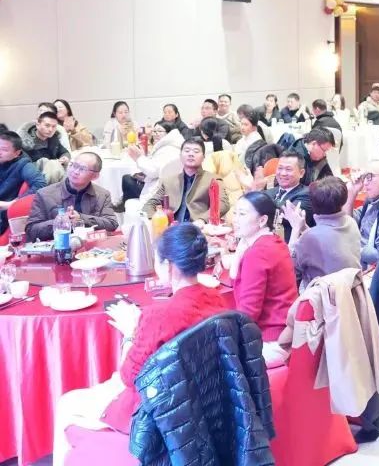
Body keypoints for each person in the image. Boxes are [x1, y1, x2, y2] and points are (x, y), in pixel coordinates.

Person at [51, 223, 227, 461]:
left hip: (155, 413)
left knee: (66, 403)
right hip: (202, 405)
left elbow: (128, 377)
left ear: (168, 266)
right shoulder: (216, 300)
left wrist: (131, 333)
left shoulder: (159, 316)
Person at [229, 191, 298, 362]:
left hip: (269, 340)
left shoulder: (258, 253)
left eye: (242, 214)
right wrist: (240, 249)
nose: (235, 220)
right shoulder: (274, 241)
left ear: (262, 220)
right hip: (286, 332)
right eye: (235, 213)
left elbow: (248, 314)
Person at [25, 152, 118, 242]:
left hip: (92, 247)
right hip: (58, 246)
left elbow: (112, 224)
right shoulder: (44, 194)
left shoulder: (102, 194)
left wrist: (81, 218)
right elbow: (31, 231)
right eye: (74, 165)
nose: (75, 171)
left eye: (82, 169)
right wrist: (61, 222)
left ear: (95, 176)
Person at [290, 176, 361, 290]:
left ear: (313, 204)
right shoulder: (350, 222)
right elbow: (325, 236)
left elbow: (289, 269)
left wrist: (295, 229)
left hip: (324, 297)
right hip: (353, 291)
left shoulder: (310, 238)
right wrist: (304, 227)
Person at [142, 138, 229, 222]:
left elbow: (223, 204)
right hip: (171, 226)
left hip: (197, 227)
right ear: (180, 156)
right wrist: (156, 220)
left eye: (196, 151)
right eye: (187, 151)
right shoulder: (169, 181)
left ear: (203, 157)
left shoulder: (213, 180)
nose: (191, 154)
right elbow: (150, 204)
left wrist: (202, 220)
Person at [121, 122, 184, 205]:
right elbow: (157, 169)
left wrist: (138, 158)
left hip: (160, 192)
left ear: (169, 133)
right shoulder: (170, 146)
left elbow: (153, 171)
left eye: (159, 131)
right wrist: (144, 176)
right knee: (130, 177)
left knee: (127, 180)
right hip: (161, 183)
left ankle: (131, 208)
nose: (155, 134)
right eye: (154, 131)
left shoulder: (168, 149)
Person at [258, 152, 312, 241]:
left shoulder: (307, 194)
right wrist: (253, 190)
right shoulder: (269, 192)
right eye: (280, 168)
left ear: (301, 173)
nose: (283, 173)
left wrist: (258, 203)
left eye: (288, 169)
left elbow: (285, 214)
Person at [0, 131, 47, 233]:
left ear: (17, 153)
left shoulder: (23, 165)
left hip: (4, 216)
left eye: (4, 150)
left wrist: (13, 203)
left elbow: (41, 185)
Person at [20, 111, 70, 182]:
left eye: (54, 126)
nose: (50, 130)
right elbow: (25, 166)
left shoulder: (53, 139)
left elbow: (64, 152)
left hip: (54, 174)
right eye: (47, 125)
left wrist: (64, 158)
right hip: (34, 178)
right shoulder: (25, 142)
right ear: (37, 125)